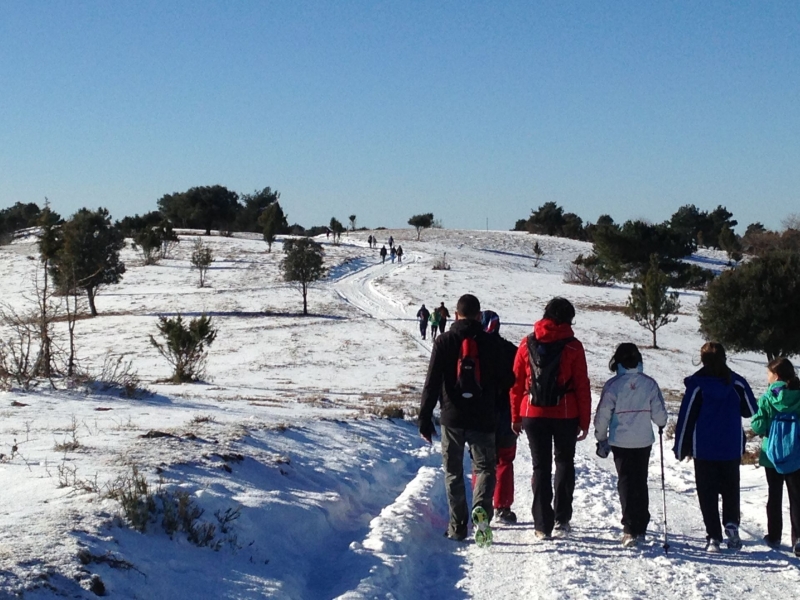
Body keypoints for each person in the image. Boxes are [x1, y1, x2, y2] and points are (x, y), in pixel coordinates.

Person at [418, 294, 515, 543]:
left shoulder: (444, 341)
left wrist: (425, 420)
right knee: (485, 468)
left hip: (452, 418)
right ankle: (481, 513)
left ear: (456, 314)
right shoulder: (492, 343)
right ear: (479, 315)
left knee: (453, 472)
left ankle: (458, 527)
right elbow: (509, 381)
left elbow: (431, 383)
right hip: (484, 418)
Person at [510, 297, 591, 540]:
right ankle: (562, 519)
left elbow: (515, 384)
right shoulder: (574, 347)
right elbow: (582, 386)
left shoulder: (526, 343)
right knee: (565, 463)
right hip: (566, 412)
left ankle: (541, 525)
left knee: (540, 466)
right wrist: (584, 422)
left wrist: (515, 415)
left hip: (532, 412)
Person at [673, 342, 757, 552]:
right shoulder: (736, 382)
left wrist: (680, 446)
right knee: (731, 489)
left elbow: (686, 418)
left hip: (704, 449)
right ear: (725, 357)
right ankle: (732, 525)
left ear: (702, 360)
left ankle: (714, 538)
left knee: (707, 493)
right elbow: (750, 409)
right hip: (731, 448)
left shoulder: (698, 385)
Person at [594, 343, 668, 547]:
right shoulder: (649, 384)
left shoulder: (613, 385)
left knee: (626, 482)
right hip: (643, 440)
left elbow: (603, 415)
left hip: (621, 441)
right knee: (640, 481)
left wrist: (601, 437)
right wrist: (661, 423)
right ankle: (641, 526)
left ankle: (629, 529)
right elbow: (660, 415)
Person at [473, 310, 520, 524]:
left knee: (481, 463)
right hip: (506, 413)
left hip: (480, 414)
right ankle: (502, 507)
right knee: (504, 460)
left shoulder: (474, 349)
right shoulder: (511, 350)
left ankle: (480, 505)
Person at [750, 357, 800, 554]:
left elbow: (757, 425)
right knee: (797, 497)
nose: (767, 377)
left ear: (776, 375)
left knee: (775, 494)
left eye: (768, 373)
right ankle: (798, 540)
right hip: (796, 454)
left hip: (771, 455)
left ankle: (774, 535)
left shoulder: (767, 397)